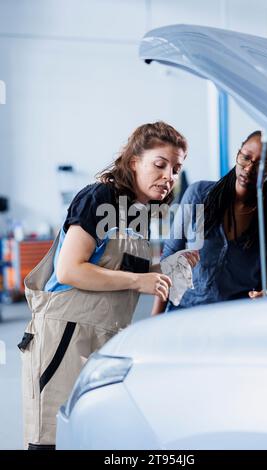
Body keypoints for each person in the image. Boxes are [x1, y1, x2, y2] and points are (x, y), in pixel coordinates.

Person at [18, 121, 199, 449]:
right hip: (67, 333)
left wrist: (170, 267)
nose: (169, 176)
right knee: (52, 439)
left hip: (107, 335)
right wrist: (140, 279)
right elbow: (71, 269)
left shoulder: (140, 213)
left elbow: (120, 271)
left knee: (92, 437)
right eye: (160, 165)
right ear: (134, 162)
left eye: (176, 168)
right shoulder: (99, 197)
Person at [152, 130, 267, 315]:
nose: (249, 168)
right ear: (238, 154)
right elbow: (170, 257)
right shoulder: (198, 194)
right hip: (184, 315)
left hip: (236, 322)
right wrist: (155, 318)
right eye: (246, 158)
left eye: (262, 165)